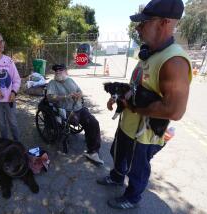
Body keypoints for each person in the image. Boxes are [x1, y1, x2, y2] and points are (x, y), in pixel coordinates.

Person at [96, 0, 192, 209]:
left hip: (144, 135)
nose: (138, 28)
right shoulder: (149, 53)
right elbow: (136, 85)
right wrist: (118, 96)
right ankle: (116, 177)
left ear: (164, 23)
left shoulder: (173, 61)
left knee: (137, 168)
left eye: (144, 23)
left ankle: (132, 197)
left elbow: (175, 110)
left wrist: (135, 107)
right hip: (128, 125)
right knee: (118, 154)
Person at [46, 64, 104, 164]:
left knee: (93, 122)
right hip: (66, 110)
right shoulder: (52, 83)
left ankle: (93, 152)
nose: (58, 72)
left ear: (66, 71)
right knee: (76, 121)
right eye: (56, 71)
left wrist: (79, 94)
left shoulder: (70, 80)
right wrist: (66, 97)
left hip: (79, 108)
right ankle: (87, 138)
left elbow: (80, 91)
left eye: (61, 70)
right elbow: (50, 97)